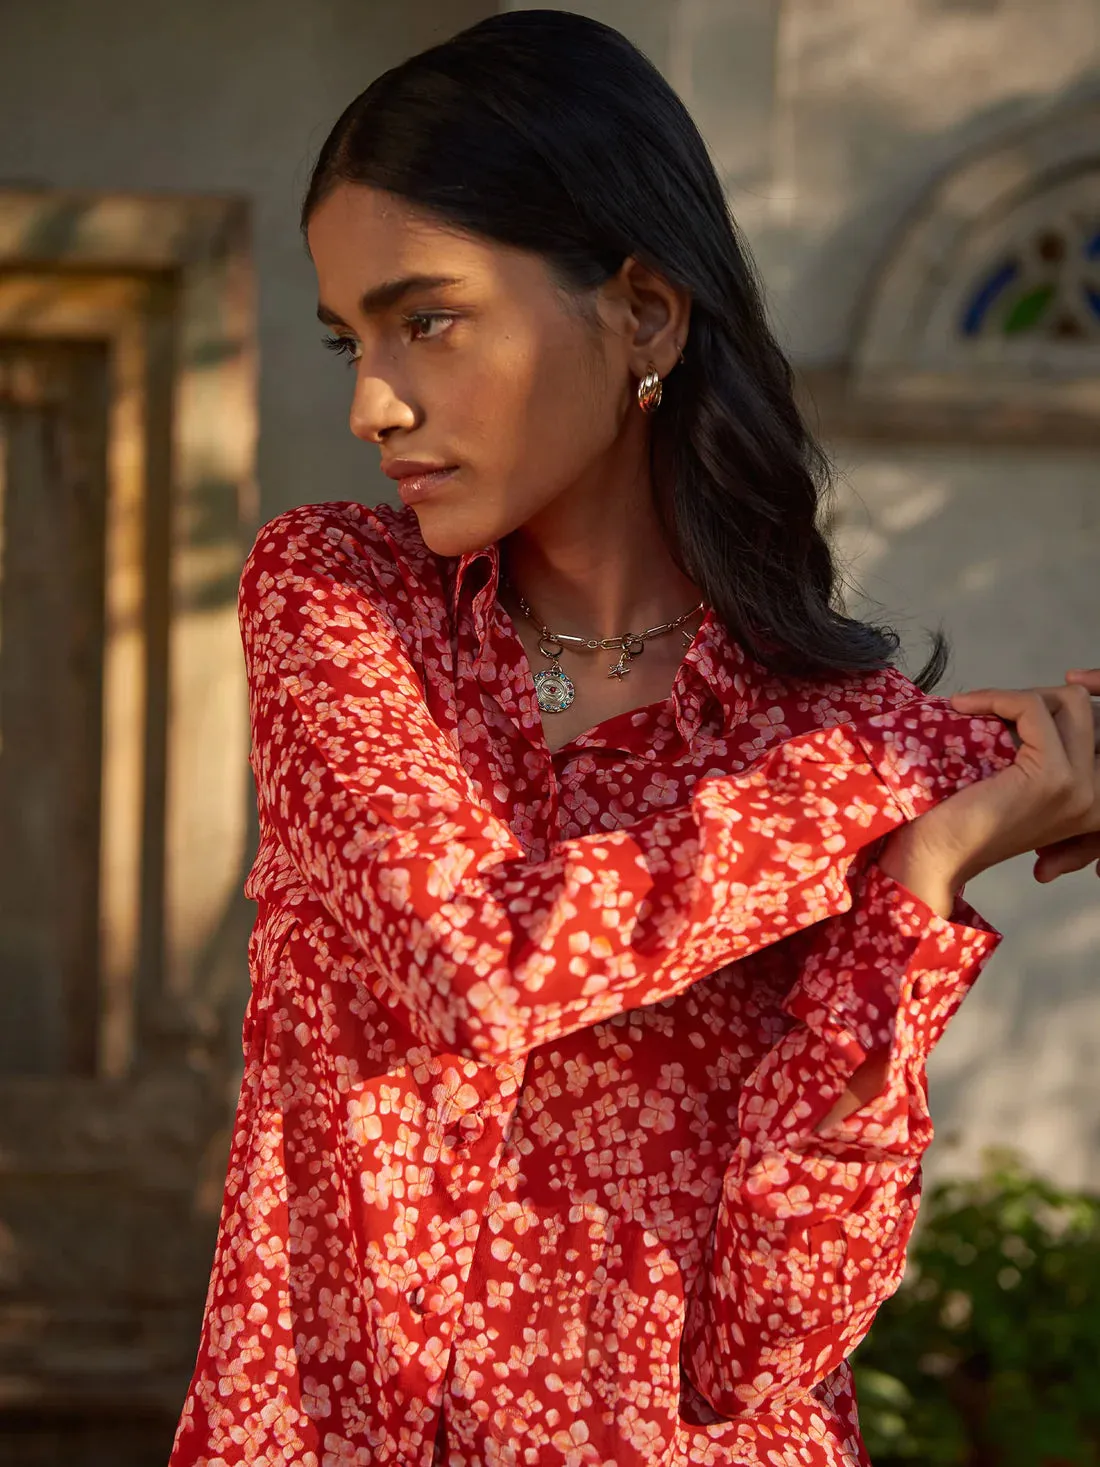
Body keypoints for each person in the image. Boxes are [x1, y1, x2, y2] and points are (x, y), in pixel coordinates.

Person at [168, 12, 1100, 1466]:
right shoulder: (341, 609)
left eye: (429, 319)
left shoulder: (819, 745)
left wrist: (916, 888)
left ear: (647, 315)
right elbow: (481, 967)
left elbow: (767, 1348)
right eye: (352, 337)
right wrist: (900, 772)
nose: (372, 402)